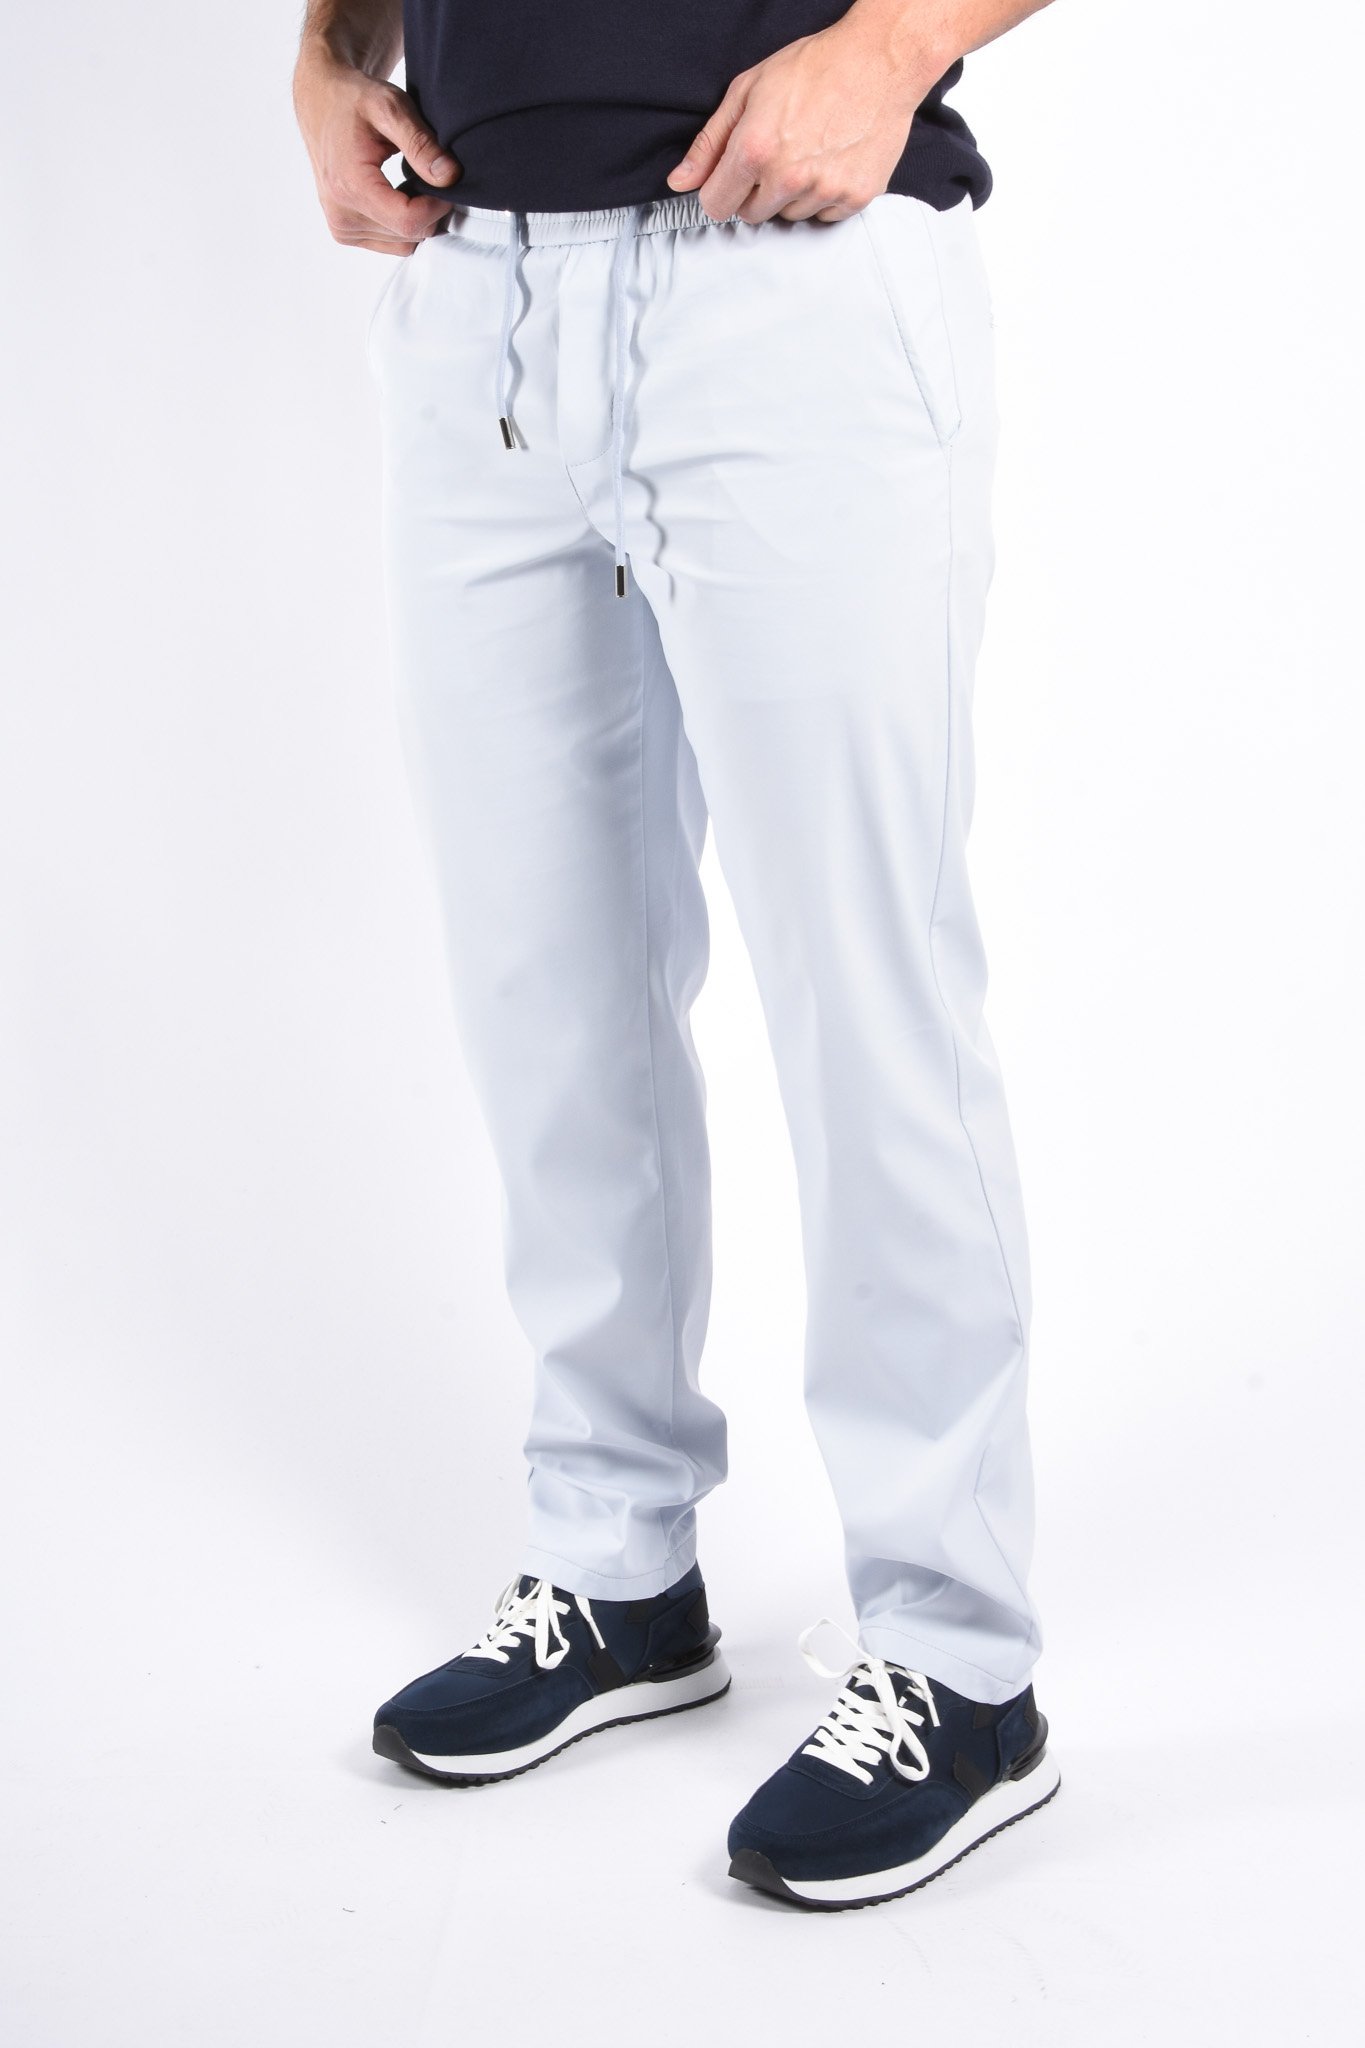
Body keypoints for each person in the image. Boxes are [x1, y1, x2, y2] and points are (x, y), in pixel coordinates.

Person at [293, 0, 1059, 1910]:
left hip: (784, 275)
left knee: (860, 985)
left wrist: (894, 42)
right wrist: (326, 49)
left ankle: (961, 1661)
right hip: (480, 297)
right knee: (546, 985)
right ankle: (617, 1562)